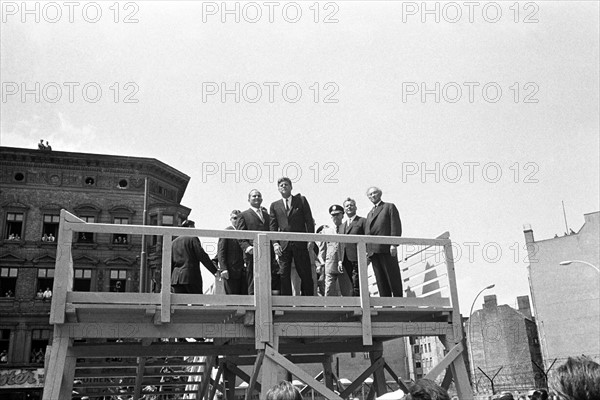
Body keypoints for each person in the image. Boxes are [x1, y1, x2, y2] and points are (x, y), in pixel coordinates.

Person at [269, 177, 315, 296]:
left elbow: (309, 221)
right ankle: (286, 302)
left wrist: (310, 239)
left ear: (291, 187)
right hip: (283, 245)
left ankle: (309, 301)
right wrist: (275, 243)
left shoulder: (301, 200)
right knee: (284, 273)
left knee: (305, 272)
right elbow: (273, 226)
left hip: (300, 243)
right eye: (281, 185)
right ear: (278, 189)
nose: (284, 187)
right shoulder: (274, 205)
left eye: (286, 184)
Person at [237, 189, 279, 295]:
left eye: (258, 196)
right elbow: (240, 235)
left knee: (268, 279)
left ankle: (269, 310)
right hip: (253, 253)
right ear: (248, 199)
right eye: (254, 196)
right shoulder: (243, 215)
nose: (256, 198)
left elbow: (272, 232)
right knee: (253, 279)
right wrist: (247, 247)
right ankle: (253, 309)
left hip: (267, 253)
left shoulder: (267, 216)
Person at [365, 186, 403, 297]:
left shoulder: (388, 207)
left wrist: (393, 244)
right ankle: (386, 303)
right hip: (373, 251)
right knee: (380, 279)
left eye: (374, 193)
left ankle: (398, 301)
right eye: (370, 195)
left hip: (386, 248)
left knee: (392, 276)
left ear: (380, 194)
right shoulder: (369, 213)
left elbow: (395, 225)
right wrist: (368, 250)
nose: (373, 196)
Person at [171, 219, 219, 294]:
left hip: (176, 279)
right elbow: (202, 255)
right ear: (190, 227)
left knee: (179, 304)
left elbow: (169, 263)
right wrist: (214, 271)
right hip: (191, 277)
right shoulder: (192, 238)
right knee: (196, 303)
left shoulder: (173, 243)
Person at [319, 205, 353, 297]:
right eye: (333, 215)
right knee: (329, 288)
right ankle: (328, 308)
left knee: (346, 289)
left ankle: (348, 308)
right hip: (330, 262)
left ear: (342, 215)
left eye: (338, 214)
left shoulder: (347, 229)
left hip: (345, 262)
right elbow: (322, 249)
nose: (336, 217)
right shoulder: (326, 231)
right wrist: (322, 263)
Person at [340, 197, 367, 296]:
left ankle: (360, 302)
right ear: (344, 209)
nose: (349, 207)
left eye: (351, 205)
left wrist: (367, 255)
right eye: (347, 206)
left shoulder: (362, 221)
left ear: (356, 207)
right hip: (345, 258)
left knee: (357, 280)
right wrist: (340, 259)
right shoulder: (342, 225)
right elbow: (340, 243)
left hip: (357, 256)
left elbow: (367, 238)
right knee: (349, 283)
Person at [218, 210, 247, 295]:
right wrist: (224, 269)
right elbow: (221, 252)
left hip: (244, 272)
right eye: (234, 218)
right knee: (232, 299)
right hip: (231, 272)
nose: (237, 220)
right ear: (230, 219)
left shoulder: (245, 232)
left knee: (245, 301)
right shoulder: (227, 232)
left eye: (239, 218)